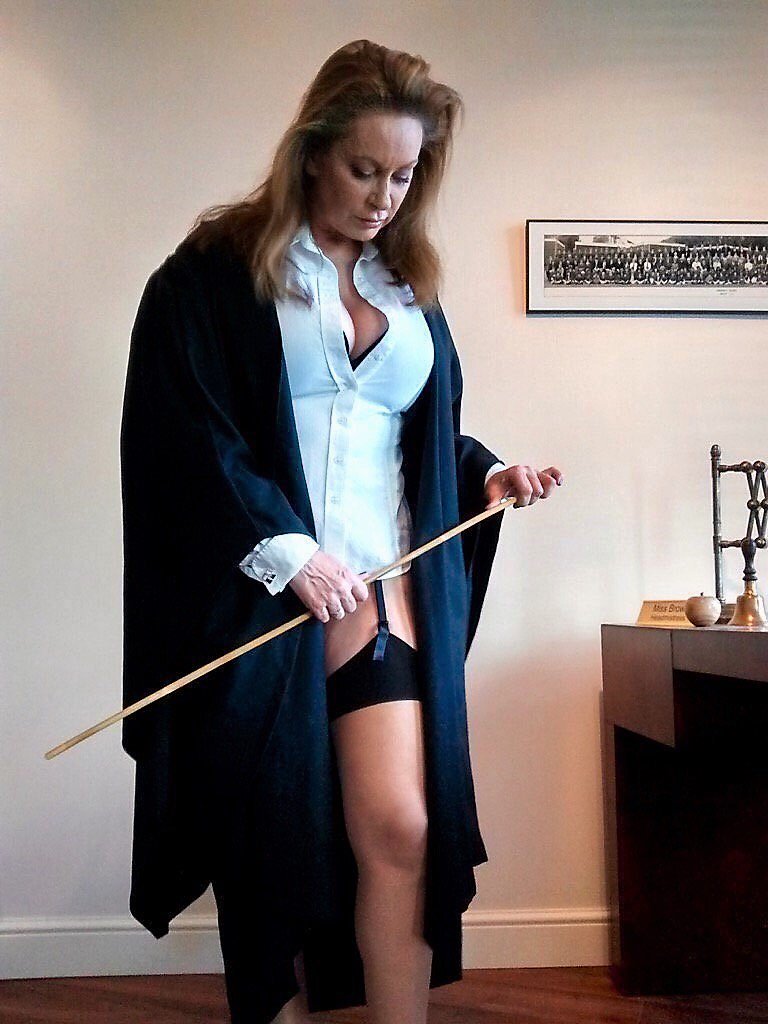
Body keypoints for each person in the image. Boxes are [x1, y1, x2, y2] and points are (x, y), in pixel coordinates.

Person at [120, 39, 563, 1024]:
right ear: (314, 150)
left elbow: (417, 436)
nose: (383, 197)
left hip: (381, 587)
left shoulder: (410, 290)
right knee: (270, 845)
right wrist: (287, 550)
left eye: (404, 176)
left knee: (402, 829)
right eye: (366, 169)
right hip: (259, 596)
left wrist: (485, 473)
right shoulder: (216, 274)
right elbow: (188, 428)